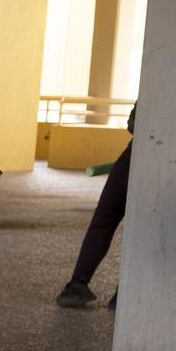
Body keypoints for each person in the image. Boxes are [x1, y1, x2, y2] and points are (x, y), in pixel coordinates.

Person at [56, 104, 136, 308]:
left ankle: (76, 285)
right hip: (159, 164)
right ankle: (124, 295)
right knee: (141, 230)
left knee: (103, 221)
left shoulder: (152, 85)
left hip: (129, 159)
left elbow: (132, 124)